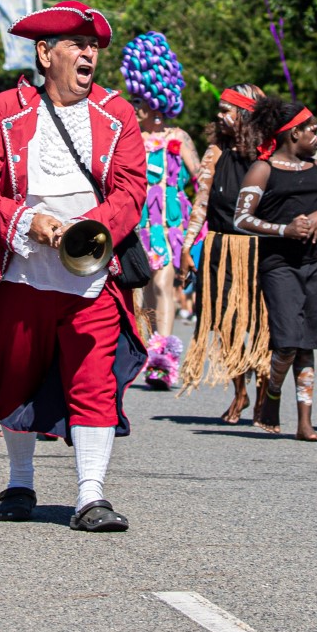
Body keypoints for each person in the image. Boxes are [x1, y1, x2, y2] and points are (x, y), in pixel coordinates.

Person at [0, 1, 147, 533]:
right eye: (77, 44)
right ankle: (19, 480)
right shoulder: (4, 111)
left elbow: (130, 189)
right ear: (45, 52)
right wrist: (27, 221)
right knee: (17, 376)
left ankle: (91, 495)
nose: (90, 53)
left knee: (95, 380)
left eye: (94, 45)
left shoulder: (117, 114)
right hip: (22, 273)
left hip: (93, 274)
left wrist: (88, 232)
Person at [232, 97, 317, 441]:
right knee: (286, 342)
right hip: (279, 265)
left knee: (308, 342)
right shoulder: (262, 169)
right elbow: (240, 219)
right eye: (312, 129)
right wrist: (284, 229)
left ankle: (304, 423)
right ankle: (272, 394)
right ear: (293, 133)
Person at [179, 85, 273, 424]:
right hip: (221, 247)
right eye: (219, 109)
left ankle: (264, 396)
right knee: (228, 325)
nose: (219, 115)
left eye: (226, 109)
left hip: (260, 249)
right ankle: (240, 393)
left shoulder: (269, 154)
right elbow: (200, 204)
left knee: (262, 324)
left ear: (246, 115)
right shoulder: (215, 152)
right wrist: (188, 247)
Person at [117, 31, 199, 390]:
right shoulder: (127, 134)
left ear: (156, 97)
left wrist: (199, 222)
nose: (134, 106)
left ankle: (165, 359)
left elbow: (201, 179)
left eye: (139, 100)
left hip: (167, 228)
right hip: (137, 228)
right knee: (145, 291)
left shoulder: (178, 138)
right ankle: (151, 352)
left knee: (164, 283)